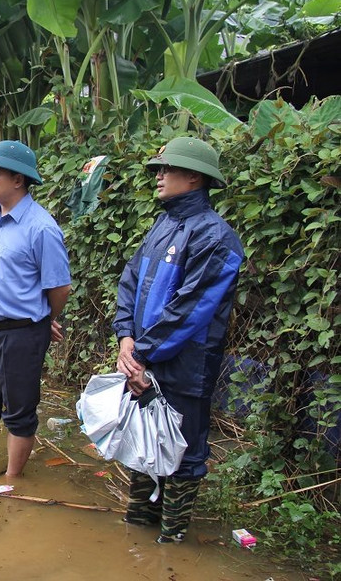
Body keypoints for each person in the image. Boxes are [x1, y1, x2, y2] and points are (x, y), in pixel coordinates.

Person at [113, 137, 243, 543]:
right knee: (145, 440)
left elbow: (191, 310)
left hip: (186, 368)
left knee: (182, 450)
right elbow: (130, 282)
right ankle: (138, 533)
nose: (159, 175)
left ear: (194, 177)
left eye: (166, 169)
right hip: (143, 359)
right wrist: (125, 338)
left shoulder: (216, 238)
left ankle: (171, 544)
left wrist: (141, 357)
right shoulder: (162, 225)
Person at [0, 140, 72, 477]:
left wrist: (42, 321)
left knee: (20, 412)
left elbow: (59, 287)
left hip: (22, 334)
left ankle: (13, 480)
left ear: (18, 180)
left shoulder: (41, 228)